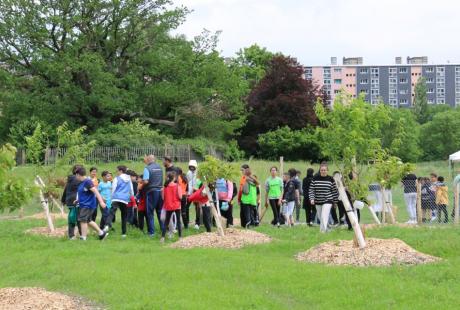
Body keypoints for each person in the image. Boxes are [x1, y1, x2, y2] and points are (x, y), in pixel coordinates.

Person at [74, 167, 108, 240]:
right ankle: (101, 233)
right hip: (84, 204)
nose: (75, 176)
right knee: (88, 221)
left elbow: (95, 191)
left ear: (78, 174)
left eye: (75, 175)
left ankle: (83, 238)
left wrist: (101, 202)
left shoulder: (87, 181)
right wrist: (78, 200)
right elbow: (84, 193)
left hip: (87, 205)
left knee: (83, 220)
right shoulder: (82, 182)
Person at [104, 165, 134, 237]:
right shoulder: (129, 179)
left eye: (117, 170)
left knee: (112, 212)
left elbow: (113, 189)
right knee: (124, 216)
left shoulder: (116, 178)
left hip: (116, 198)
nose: (116, 172)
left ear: (121, 171)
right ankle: (124, 233)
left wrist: (112, 198)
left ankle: (107, 225)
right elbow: (131, 189)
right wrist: (131, 196)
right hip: (124, 199)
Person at [309, 164, 339, 233]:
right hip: (318, 200)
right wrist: (312, 199)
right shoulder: (315, 178)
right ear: (320, 171)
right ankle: (327, 228)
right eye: (322, 170)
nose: (323, 171)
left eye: (325, 170)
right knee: (320, 217)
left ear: (327, 171)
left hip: (328, 200)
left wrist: (335, 201)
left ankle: (322, 231)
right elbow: (311, 190)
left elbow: (334, 191)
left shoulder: (331, 179)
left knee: (324, 215)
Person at [143, 155, 164, 236]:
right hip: (160, 191)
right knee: (160, 212)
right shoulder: (160, 167)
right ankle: (163, 230)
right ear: (154, 159)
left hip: (151, 191)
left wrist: (141, 182)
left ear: (148, 160)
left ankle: (152, 232)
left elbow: (146, 182)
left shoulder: (147, 168)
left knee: (150, 212)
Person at [61, 164, 83, 239]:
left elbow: (66, 189)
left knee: (72, 217)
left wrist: (63, 200)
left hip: (69, 201)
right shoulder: (79, 179)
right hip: (76, 201)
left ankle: (72, 235)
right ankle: (81, 235)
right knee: (78, 218)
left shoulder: (70, 179)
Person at [160, 172, 182, 242]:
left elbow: (163, 198)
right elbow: (180, 196)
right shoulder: (177, 186)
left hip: (168, 205)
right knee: (178, 221)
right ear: (174, 178)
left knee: (166, 221)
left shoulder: (165, 187)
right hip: (177, 205)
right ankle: (180, 237)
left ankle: (162, 238)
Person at [186, 160, 200, 230]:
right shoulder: (188, 173)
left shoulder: (198, 173)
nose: (191, 168)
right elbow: (187, 182)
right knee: (186, 207)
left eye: (193, 167)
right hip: (189, 193)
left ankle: (197, 223)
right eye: (190, 167)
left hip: (196, 193)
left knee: (197, 208)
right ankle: (187, 221)